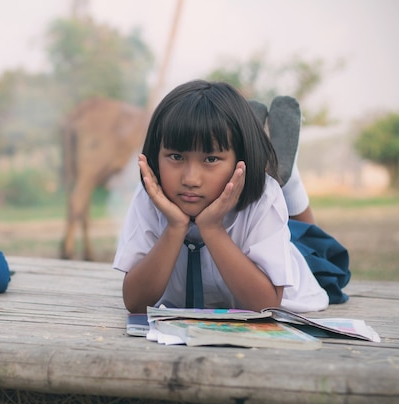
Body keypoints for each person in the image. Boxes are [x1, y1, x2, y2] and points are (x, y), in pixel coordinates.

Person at [113, 80, 348, 315]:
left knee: (318, 252)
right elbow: (135, 303)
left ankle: (282, 174)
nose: (191, 179)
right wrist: (175, 227)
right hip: (243, 216)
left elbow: (265, 305)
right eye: (176, 156)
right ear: (154, 157)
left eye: (211, 159)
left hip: (290, 257)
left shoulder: (263, 197)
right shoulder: (151, 195)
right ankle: (262, 153)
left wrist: (212, 228)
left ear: (238, 161)